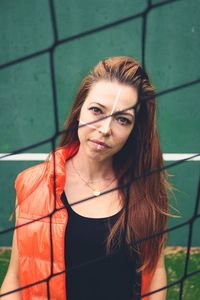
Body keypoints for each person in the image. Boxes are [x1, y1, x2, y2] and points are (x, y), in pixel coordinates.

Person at [1, 56, 169, 300]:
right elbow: (15, 277)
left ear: (134, 130)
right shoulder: (33, 184)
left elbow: (156, 273)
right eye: (97, 110)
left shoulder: (147, 189)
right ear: (79, 110)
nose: (104, 129)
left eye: (123, 119)